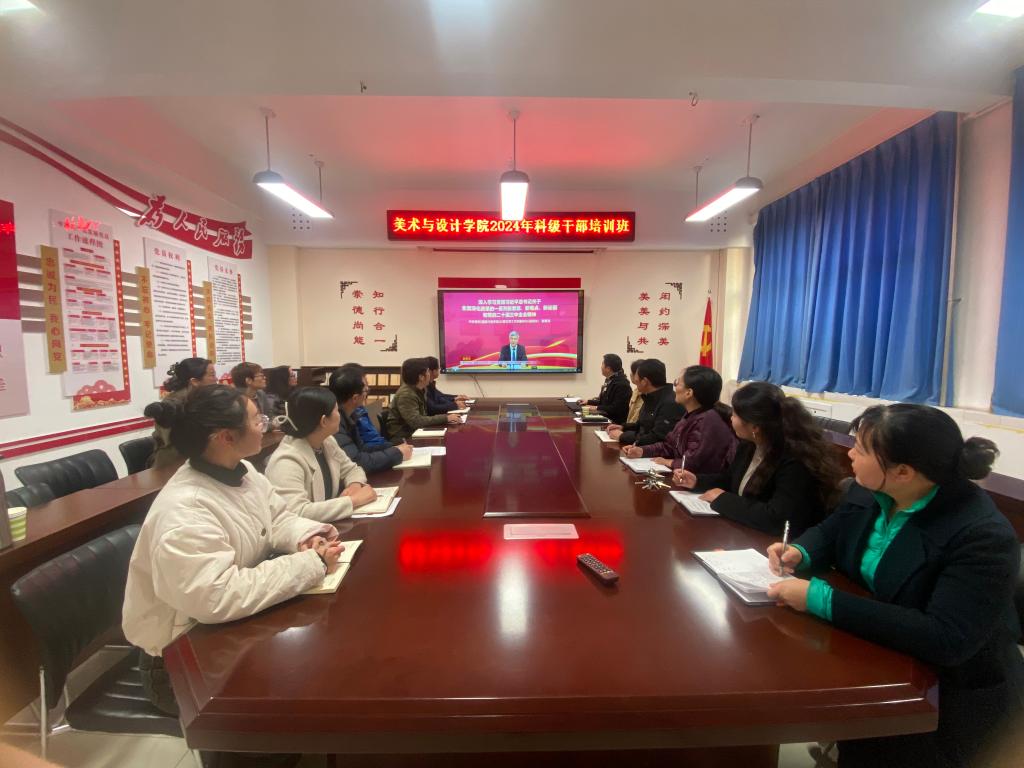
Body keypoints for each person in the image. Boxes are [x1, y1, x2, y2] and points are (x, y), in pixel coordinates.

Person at [766, 404, 1024, 767]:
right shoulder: (869, 490)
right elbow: (832, 531)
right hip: (875, 654)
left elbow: (945, 637)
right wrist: (800, 552)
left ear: (903, 472)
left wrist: (820, 599)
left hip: (945, 696)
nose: (850, 454)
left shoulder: (981, 535)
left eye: (860, 449)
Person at [124, 385, 344, 718]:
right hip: (180, 665)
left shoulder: (242, 471)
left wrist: (307, 538)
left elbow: (278, 517)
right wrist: (311, 563)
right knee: (298, 692)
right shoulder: (186, 511)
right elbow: (217, 596)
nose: (265, 425)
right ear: (225, 437)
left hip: (226, 632)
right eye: (257, 420)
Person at [673, 381, 841, 537]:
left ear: (755, 426)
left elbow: (777, 518)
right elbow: (730, 479)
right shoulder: (749, 445)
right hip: (745, 532)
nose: (731, 418)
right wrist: (697, 481)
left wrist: (722, 499)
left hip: (780, 544)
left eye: (735, 415)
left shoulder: (795, 459)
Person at [265, 387, 377, 522]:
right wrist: (353, 501)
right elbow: (295, 512)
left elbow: (352, 469)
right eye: (336, 410)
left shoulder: (326, 441)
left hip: (326, 528)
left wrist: (354, 485)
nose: (340, 415)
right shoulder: (285, 461)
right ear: (324, 421)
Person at [622, 365, 736, 474]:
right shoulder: (691, 414)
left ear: (689, 393)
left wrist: (669, 462)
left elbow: (693, 464)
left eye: (677, 383)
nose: (674, 387)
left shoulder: (708, 420)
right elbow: (669, 446)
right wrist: (642, 451)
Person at [329, 366, 413, 473]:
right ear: (355, 398)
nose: (367, 393)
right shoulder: (334, 422)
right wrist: (397, 453)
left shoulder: (349, 415)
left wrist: (394, 447)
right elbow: (357, 462)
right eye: (366, 390)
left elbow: (362, 449)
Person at [145, 357, 217, 469]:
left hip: (196, 459)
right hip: (172, 463)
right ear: (194, 381)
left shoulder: (202, 397)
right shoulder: (176, 402)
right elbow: (170, 412)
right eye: (212, 375)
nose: (216, 379)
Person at [606, 359, 685, 446]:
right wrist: (623, 427)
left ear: (644, 382)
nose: (635, 383)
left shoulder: (670, 403)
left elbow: (657, 438)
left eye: (636, 380)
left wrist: (622, 436)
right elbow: (641, 425)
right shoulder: (649, 396)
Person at [387, 358, 462, 443]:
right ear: (421, 377)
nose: (430, 375)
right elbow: (416, 421)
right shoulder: (406, 395)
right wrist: (446, 418)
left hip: (416, 431)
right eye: (428, 372)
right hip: (404, 437)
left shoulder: (420, 389)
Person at [586, 353, 631, 425]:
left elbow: (616, 408)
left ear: (608, 368)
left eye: (602, 364)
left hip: (615, 424)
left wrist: (596, 408)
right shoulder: (609, 379)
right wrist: (588, 402)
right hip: (605, 419)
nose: (601, 367)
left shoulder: (622, 385)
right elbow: (604, 402)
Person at [625, 359, 646, 424]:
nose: (630, 374)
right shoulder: (636, 391)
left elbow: (636, 419)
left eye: (632, 372)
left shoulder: (645, 394)